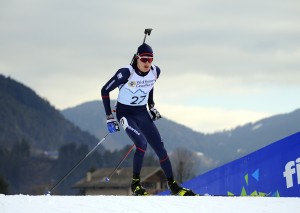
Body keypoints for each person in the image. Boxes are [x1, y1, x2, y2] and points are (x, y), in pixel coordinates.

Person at [101, 43, 198, 196]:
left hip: (142, 113)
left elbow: (150, 85)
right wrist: (109, 118)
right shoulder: (126, 72)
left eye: (150, 59)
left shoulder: (155, 71)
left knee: (160, 148)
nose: (147, 63)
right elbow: (105, 90)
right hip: (125, 113)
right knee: (141, 144)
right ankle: (136, 185)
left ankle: (173, 186)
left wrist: (151, 105)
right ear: (137, 58)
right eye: (144, 59)